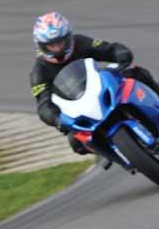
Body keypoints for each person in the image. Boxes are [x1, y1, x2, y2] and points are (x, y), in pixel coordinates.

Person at [30, 11, 159, 154]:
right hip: (78, 109)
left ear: (68, 37)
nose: (57, 48)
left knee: (137, 72)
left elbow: (108, 49)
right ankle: (119, 154)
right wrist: (56, 119)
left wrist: (121, 55)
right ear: (41, 45)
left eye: (60, 42)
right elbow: (43, 105)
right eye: (51, 45)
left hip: (100, 87)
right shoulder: (39, 73)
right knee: (76, 143)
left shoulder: (80, 42)